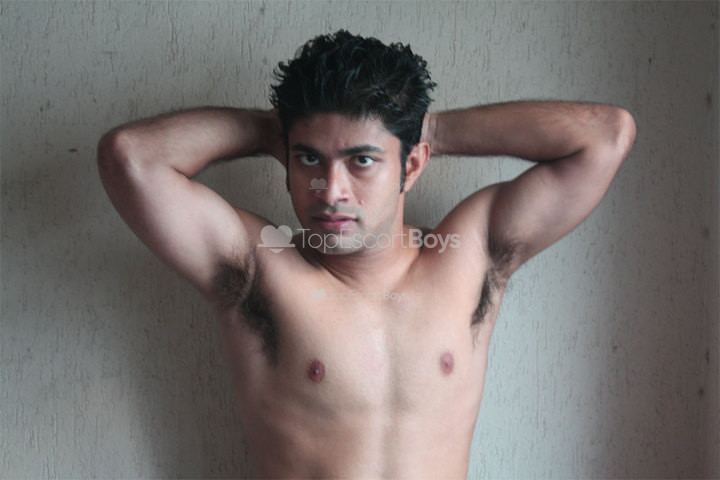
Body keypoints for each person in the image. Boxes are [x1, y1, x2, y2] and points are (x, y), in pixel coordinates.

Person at [97, 30, 635, 478]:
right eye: (309, 159)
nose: (331, 190)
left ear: (412, 165)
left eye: (362, 160)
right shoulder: (261, 268)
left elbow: (606, 136)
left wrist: (432, 129)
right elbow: (130, 159)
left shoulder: (468, 254)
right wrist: (273, 130)